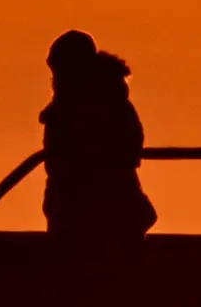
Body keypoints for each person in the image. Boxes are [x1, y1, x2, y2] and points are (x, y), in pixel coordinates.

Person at [40, 30, 154, 243]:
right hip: (78, 209)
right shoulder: (107, 101)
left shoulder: (96, 104)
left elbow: (123, 151)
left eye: (60, 69)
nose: (55, 78)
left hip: (92, 212)